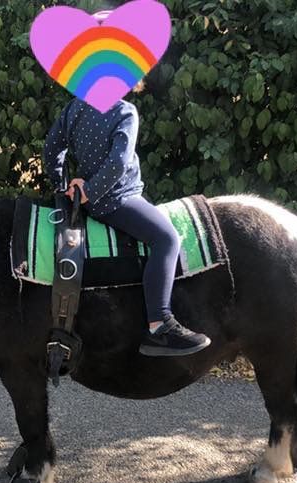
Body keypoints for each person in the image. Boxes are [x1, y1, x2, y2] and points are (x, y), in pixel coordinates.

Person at [42, 82, 211, 357]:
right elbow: (118, 164)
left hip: (89, 201)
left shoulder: (75, 108)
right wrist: (91, 192)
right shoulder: (124, 111)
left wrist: (65, 188)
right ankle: (160, 325)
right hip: (117, 200)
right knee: (167, 240)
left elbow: (51, 150)